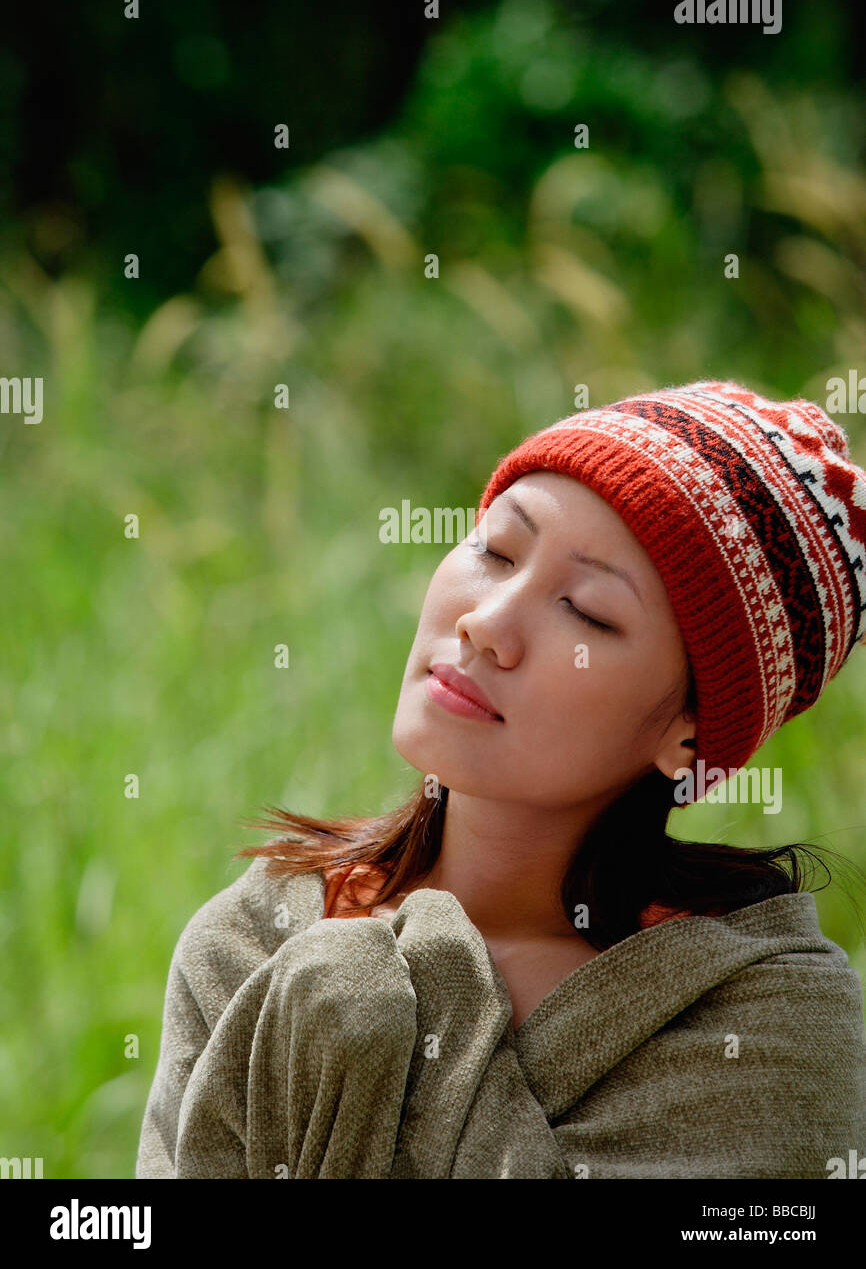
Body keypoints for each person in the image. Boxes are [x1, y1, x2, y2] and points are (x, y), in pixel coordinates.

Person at [136, 378, 866, 1179]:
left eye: (586, 611)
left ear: (687, 733)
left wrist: (405, 991)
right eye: (495, 550)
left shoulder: (766, 1030)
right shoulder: (254, 935)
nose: (486, 624)